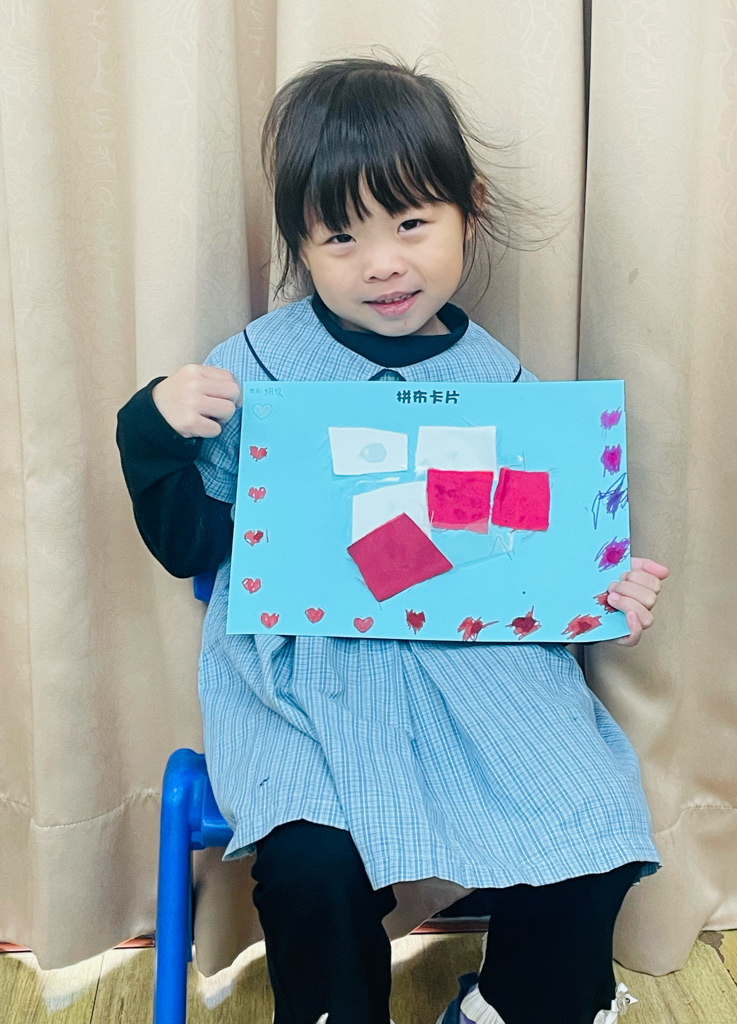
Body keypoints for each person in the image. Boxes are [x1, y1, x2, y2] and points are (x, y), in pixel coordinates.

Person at [117, 56, 669, 1024]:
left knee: (597, 821)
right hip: (308, 681)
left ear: (468, 212)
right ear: (301, 243)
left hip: (477, 675)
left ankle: (511, 1006)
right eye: (341, 236)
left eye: (411, 223)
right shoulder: (256, 369)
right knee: (313, 860)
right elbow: (187, 543)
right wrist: (152, 429)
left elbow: (517, 551)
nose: (382, 263)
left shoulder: (502, 387)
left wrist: (597, 586)